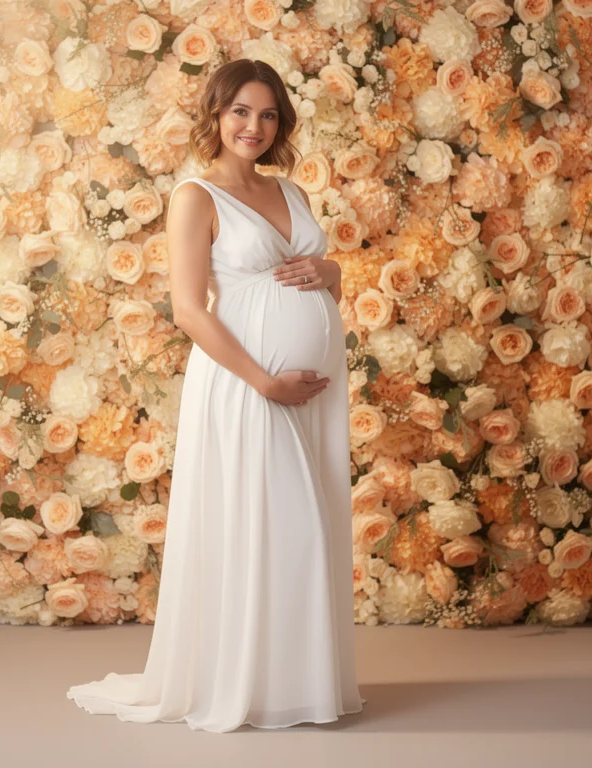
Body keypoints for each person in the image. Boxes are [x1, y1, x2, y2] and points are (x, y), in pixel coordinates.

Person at [65, 58, 366, 732]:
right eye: (240, 112)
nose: (253, 126)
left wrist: (332, 268)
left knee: (305, 532)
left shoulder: (294, 193)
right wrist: (265, 382)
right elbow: (189, 310)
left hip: (311, 393)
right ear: (217, 114)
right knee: (265, 525)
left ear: (280, 121)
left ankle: (298, 683)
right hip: (245, 387)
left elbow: (323, 285)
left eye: (266, 114)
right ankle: (245, 684)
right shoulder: (195, 196)